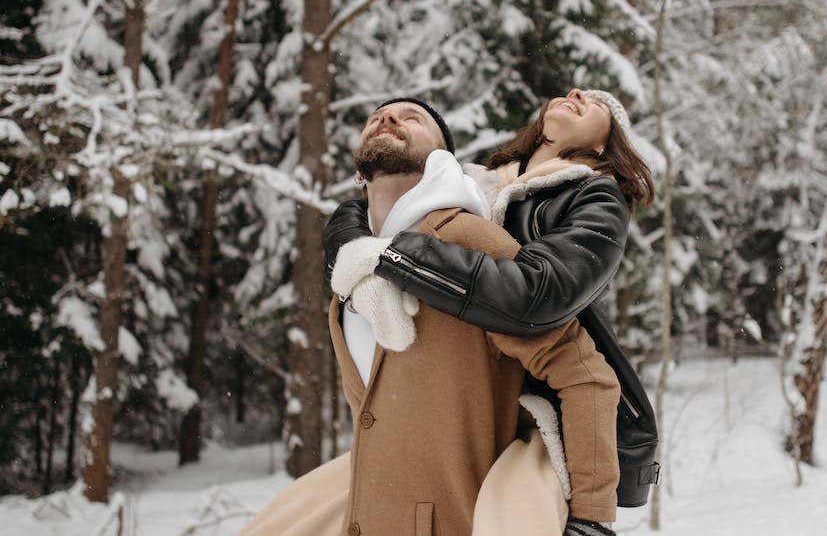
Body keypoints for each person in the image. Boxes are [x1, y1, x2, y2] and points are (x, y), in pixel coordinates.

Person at [239, 98, 621, 536]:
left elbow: (587, 377)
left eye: (412, 118)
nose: (387, 118)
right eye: (376, 117)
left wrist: (590, 518)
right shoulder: (349, 274)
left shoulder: (468, 241)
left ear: (441, 158)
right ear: (360, 172)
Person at [324, 88, 661, 510]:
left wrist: (394, 259)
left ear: (603, 143)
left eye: (599, 104)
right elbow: (364, 213)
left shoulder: (597, 196)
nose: (576, 93)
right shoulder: (481, 185)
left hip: (541, 410)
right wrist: (357, 261)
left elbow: (538, 293)